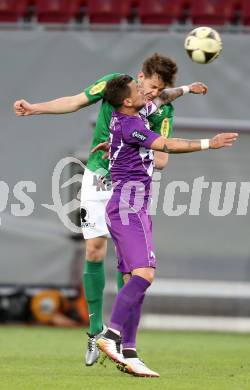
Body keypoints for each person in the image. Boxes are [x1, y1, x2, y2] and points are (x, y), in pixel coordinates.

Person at [13, 53, 208, 366]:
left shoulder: (162, 110)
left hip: (130, 185)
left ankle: (123, 343)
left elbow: (162, 159)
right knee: (94, 250)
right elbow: (76, 101)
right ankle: (95, 331)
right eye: (151, 86)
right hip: (97, 177)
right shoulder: (116, 86)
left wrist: (141, 137)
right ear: (140, 77)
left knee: (130, 264)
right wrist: (35, 108)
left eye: (160, 90)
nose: (154, 93)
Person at [97, 75, 238, 377]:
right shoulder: (132, 123)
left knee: (132, 281)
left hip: (129, 206)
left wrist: (187, 89)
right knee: (145, 275)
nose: (144, 91)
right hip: (128, 206)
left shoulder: (130, 116)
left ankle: (130, 351)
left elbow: (161, 99)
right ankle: (110, 337)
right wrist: (208, 144)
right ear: (126, 100)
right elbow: (167, 145)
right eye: (138, 89)